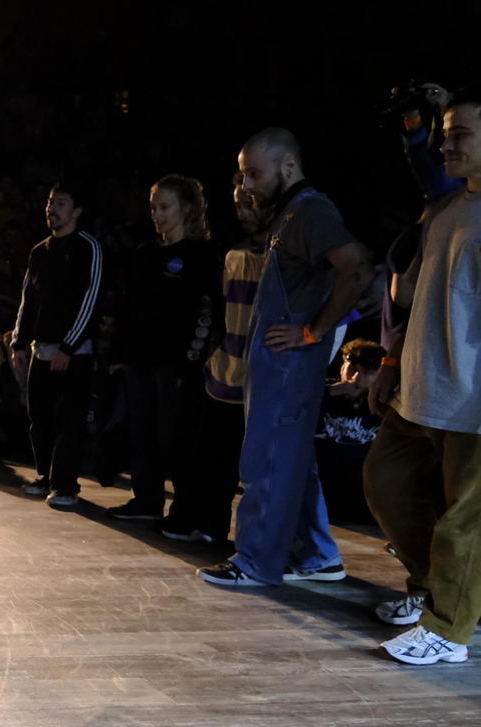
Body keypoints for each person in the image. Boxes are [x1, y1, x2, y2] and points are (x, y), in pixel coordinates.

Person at [199, 129, 374, 587]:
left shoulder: (310, 211)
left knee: (268, 458)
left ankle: (255, 562)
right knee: (292, 458)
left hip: (289, 363)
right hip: (279, 362)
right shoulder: (290, 213)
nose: (247, 185)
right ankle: (318, 555)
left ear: (289, 165)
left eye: (254, 173)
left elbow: (357, 269)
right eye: (243, 175)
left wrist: (313, 331)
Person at [365, 89, 481, 664]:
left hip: (472, 398)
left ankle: (449, 631)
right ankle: (440, 590)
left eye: (460, 134)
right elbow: (419, 299)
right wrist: (390, 363)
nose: (445, 144)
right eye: (445, 132)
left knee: (466, 520)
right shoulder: (449, 207)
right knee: (385, 482)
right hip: (421, 384)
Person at [105, 175, 223, 524]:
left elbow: (208, 312)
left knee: (175, 438)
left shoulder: (201, 254)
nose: (157, 214)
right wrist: (119, 355)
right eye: (153, 207)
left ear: (185, 209)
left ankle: (185, 511)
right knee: (141, 433)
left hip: (176, 364)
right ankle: (147, 501)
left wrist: (191, 363)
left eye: (164, 207)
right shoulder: (145, 253)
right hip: (140, 360)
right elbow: (130, 308)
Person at [167, 177, 271, 544]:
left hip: (262, 381)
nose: (243, 213)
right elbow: (218, 312)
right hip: (224, 375)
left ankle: (253, 541)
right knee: (213, 458)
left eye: (249, 204)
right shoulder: (233, 256)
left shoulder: (282, 259)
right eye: (238, 205)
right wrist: (212, 358)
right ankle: (211, 525)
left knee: (253, 465)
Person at [12, 183, 103, 508]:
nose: (52, 208)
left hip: (74, 353)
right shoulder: (39, 251)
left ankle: (65, 485)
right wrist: (19, 342)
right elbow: (28, 299)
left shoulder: (87, 247)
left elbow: (91, 300)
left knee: (69, 420)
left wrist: (69, 345)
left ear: (76, 211)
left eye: (61, 203)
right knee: (40, 417)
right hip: (42, 348)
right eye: (51, 202)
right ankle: (46, 476)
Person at [314, 339, 385, 523]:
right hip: (320, 489)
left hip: (360, 496)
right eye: (352, 369)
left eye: (367, 373)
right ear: (342, 368)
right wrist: (332, 392)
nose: (356, 378)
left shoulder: (383, 405)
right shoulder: (319, 390)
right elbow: (295, 401)